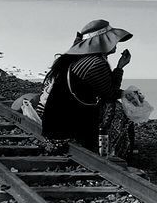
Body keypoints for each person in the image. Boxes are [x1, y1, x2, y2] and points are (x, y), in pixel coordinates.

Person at [33, 19, 134, 156]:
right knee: (117, 111)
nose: (116, 43)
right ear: (102, 42)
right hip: (67, 127)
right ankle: (105, 151)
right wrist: (120, 70)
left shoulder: (78, 58)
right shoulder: (96, 63)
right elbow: (109, 93)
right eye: (113, 40)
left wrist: (119, 69)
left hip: (55, 123)